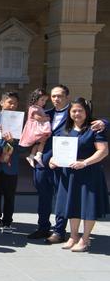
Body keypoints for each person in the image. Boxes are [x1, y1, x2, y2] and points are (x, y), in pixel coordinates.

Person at [28, 85, 106, 244]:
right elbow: (30, 131)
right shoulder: (45, 114)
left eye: (60, 96)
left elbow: (98, 123)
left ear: (67, 97)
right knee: (44, 194)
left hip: (66, 164)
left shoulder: (75, 114)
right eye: (53, 96)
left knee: (63, 197)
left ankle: (59, 231)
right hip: (46, 162)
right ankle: (43, 227)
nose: (56, 99)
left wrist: (105, 122)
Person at [51, 98, 108, 252]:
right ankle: (73, 236)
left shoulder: (95, 128)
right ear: (69, 113)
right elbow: (57, 150)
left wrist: (85, 162)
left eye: (80, 111)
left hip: (89, 173)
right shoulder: (66, 129)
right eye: (73, 111)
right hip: (70, 174)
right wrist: (53, 159)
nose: (77, 114)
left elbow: (103, 151)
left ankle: (85, 238)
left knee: (88, 207)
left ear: (86, 112)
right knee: (73, 206)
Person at [0, 92, 21, 233]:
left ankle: (7, 222)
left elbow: (23, 145)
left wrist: (12, 142)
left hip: (11, 164)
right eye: (9, 102)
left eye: (14, 103)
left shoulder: (19, 121)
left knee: (9, 195)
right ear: (2, 103)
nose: (12, 106)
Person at [20, 88, 52, 168]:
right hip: (35, 128)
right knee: (43, 139)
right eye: (42, 100)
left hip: (38, 127)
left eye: (45, 101)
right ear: (35, 99)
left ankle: (32, 155)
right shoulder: (34, 108)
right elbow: (38, 118)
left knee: (39, 142)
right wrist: (47, 118)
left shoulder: (38, 108)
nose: (44, 102)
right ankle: (38, 154)